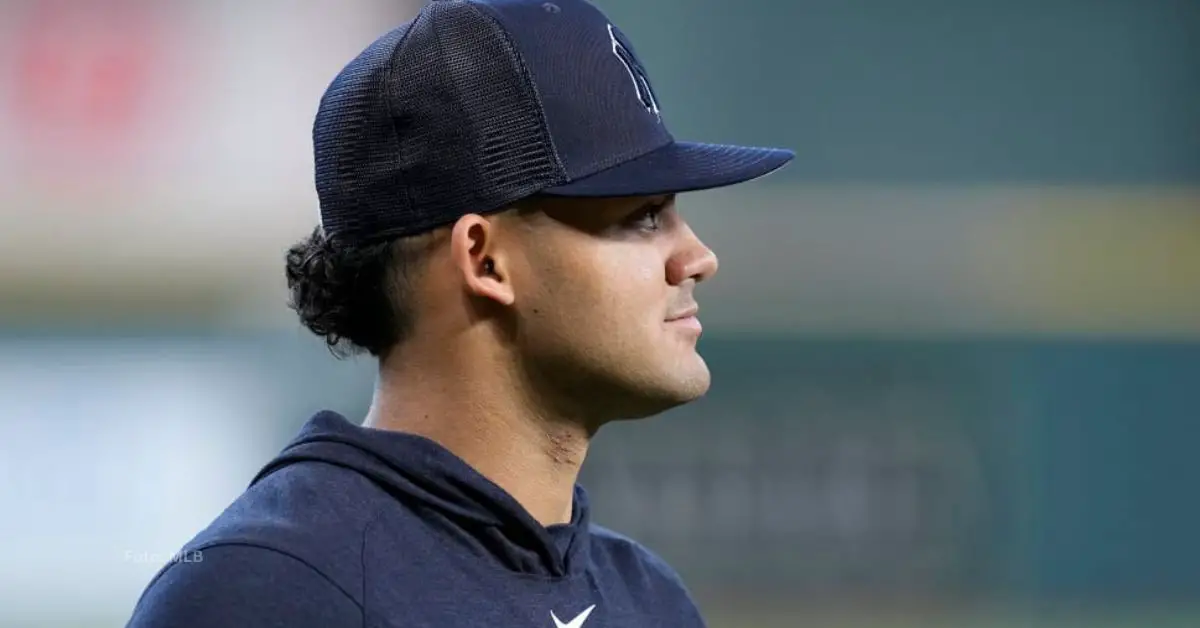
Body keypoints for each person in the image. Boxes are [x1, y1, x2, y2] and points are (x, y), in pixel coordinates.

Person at [126, 0, 792, 625]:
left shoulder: (646, 598)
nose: (697, 257)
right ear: (485, 259)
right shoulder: (270, 590)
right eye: (641, 218)